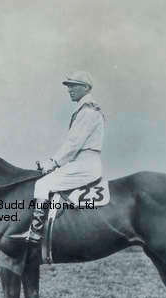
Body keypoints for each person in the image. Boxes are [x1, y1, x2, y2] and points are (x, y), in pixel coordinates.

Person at [10, 71, 105, 243]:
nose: (69, 90)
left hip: (84, 165)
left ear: (86, 88)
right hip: (80, 162)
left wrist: (53, 163)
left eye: (73, 86)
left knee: (42, 184)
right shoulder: (85, 110)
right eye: (68, 87)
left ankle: (35, 232)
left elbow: (73, 144)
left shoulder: (88, 111)